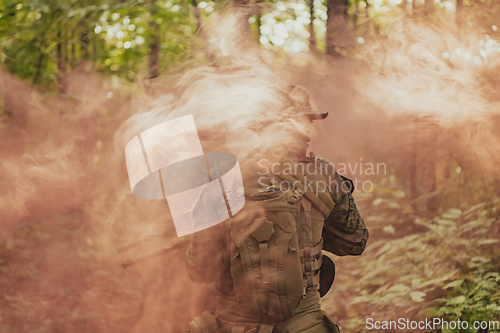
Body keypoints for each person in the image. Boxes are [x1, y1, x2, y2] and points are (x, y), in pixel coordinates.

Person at [185, 85, 369, 333]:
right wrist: (306, 232)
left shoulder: (221, 179)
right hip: (305, 325)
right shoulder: (324, 176)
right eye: (306, 121)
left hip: (232, 326)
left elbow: (198, 270)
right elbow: (354, 242)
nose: (309, 131)